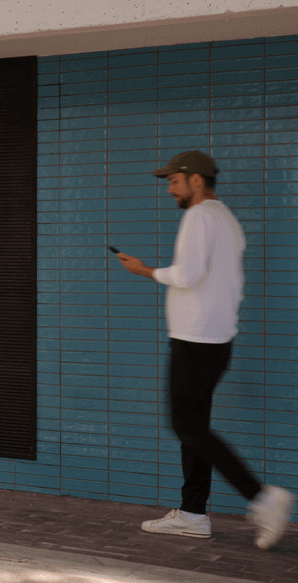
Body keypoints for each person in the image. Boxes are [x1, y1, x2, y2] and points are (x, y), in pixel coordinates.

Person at [115, 151, 292, 549]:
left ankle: (262, 497)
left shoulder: (198, 216)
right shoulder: (226, 218)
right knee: (193, 429)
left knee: (188, 427)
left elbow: (189, 274)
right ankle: (193, 514)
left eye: (174, 181)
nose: (169, 189)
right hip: (215, 340)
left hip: (195, 341)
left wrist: (144, 270)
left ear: (196, 180)